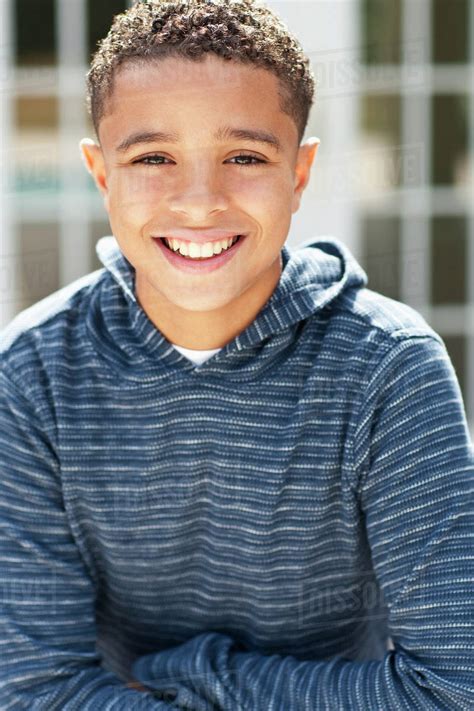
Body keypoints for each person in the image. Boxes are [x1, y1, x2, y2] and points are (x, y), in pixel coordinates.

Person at [1, 0, 473, 708]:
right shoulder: (33, 374)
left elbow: (451, 684)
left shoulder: (389, 369)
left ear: (300, 172)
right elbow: (35, 688)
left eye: (245, 157)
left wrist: (196, 675)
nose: (199, 202)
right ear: (102, 175)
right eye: (153, 157)